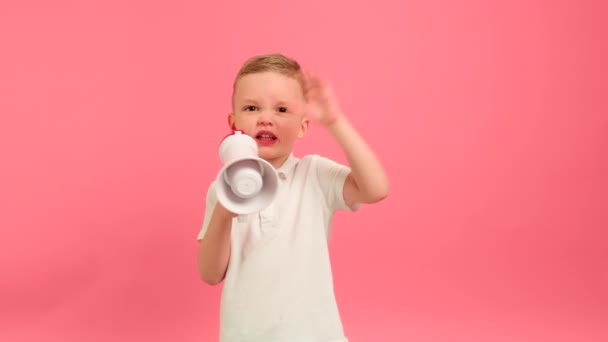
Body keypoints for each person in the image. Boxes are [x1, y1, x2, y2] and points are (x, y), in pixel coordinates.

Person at [197, 53, 389, 342]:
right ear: (233, 123)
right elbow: (210, 274)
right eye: (252, 108)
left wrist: (335, 121)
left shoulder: (314, 174)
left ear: (303, 126)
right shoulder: (221, 189)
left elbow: (376, 189)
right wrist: (224, 212)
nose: (265, 118)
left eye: (282, 110)